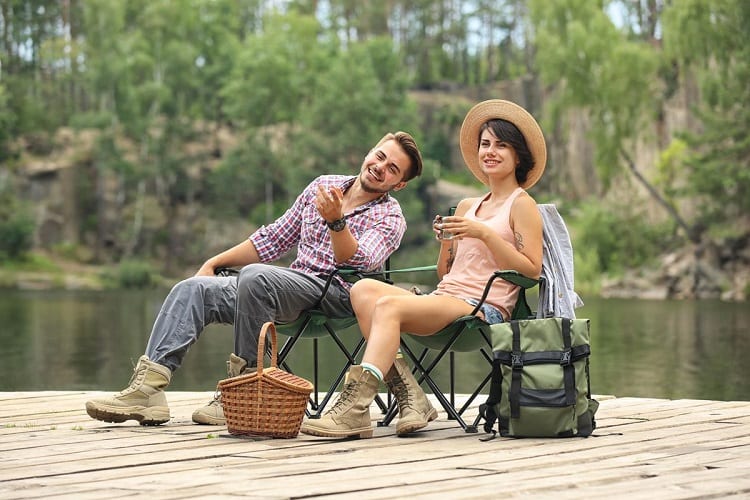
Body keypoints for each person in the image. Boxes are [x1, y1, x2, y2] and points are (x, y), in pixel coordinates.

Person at [85, 131, 423, 426]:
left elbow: (357, 260)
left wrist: (337, 222)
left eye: (392, 168)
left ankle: (243, 392)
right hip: (284, 287)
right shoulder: (324, 185)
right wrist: (214, 262)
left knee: (257, 278)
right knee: (192, 289)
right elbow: (274, 238)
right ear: (369, 153)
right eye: (380, 156)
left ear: (399, 183)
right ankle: (147, 392)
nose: (381, 167)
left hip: (337, 294)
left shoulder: (390, 216)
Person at [299, 99, 546, 439]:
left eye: (501, 146)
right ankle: (411, 397)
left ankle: (355, 409)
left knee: (388, 305)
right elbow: (446, 275)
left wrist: (484, 234)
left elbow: (531, 271)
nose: (490, 151)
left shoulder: (523, 204)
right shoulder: (468, 205)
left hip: (482, 309)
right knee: (362, 289)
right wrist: (447, 241)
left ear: (518, 155)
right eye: (485, 144)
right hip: (449, 297)